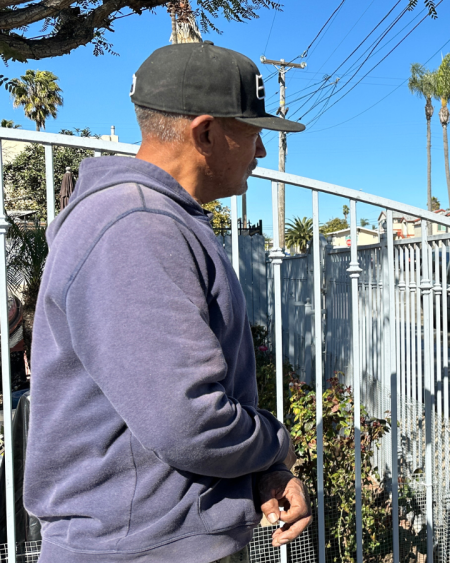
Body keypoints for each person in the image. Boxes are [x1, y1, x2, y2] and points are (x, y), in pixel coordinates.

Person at [24, 43, 311, 563]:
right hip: (140, 549)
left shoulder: (152, 219)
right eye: (252, 133)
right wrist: (275, 443)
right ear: (205, 133)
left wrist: (262, 472)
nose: (261, 152)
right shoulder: (137, 226)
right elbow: (188, 421)